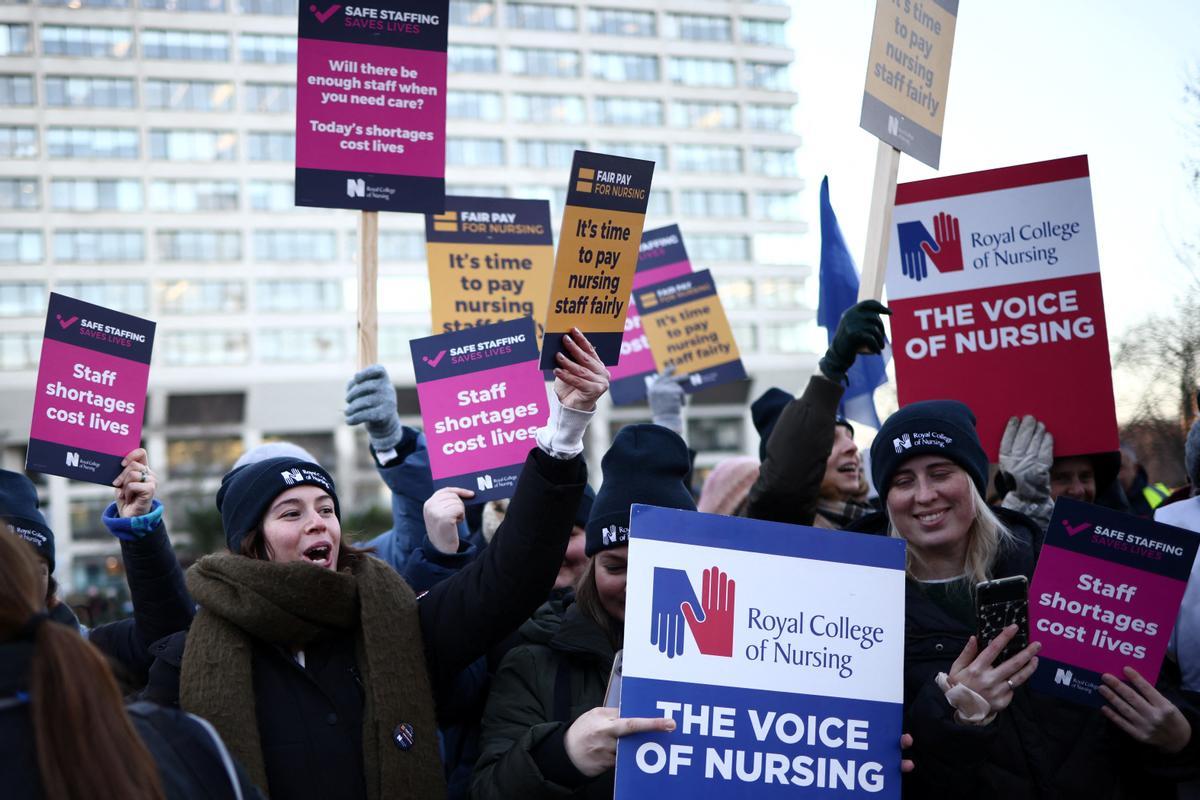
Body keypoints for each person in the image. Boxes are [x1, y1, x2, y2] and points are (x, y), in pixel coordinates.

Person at [143, 328, 605, 800]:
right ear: (250, 541)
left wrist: (564, 434)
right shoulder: (184, 661)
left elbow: (510, 578)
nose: (317, 523)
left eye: (326, 509)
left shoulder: (394, 624)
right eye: (291, 513)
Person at [854, 400, 1198, 798]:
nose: (925, 495)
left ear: (973, 480)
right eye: (903, 481)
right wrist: (955, 714)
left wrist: (1183, 736)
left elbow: (1147, 701)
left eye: (940, 473)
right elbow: (879, 768)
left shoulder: (1065, 569)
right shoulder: (864, 605)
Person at [472, 423, 693, 800]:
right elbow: (487, 791)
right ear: (591, 567)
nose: (636, 584)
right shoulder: (533, 662)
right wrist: (562, 755)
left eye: (657, 566)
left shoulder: (738, 661)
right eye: (616, 567)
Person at [0, 532, 261, 800]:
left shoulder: (176, 740)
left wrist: (141, 531)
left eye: (41, 569)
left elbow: (165, 635)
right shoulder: (185, 739)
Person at [1, 452, 193, 689]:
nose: (17, 584)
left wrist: (141, 531)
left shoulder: (88, 651)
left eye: (36, 570)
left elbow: (169, 642)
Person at [743, 300, 884, 528]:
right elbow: (786, 483)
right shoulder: (780, 529)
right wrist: (833, 365)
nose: (852, 448)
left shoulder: (888, 522)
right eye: (830, 440)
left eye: (850, 437)